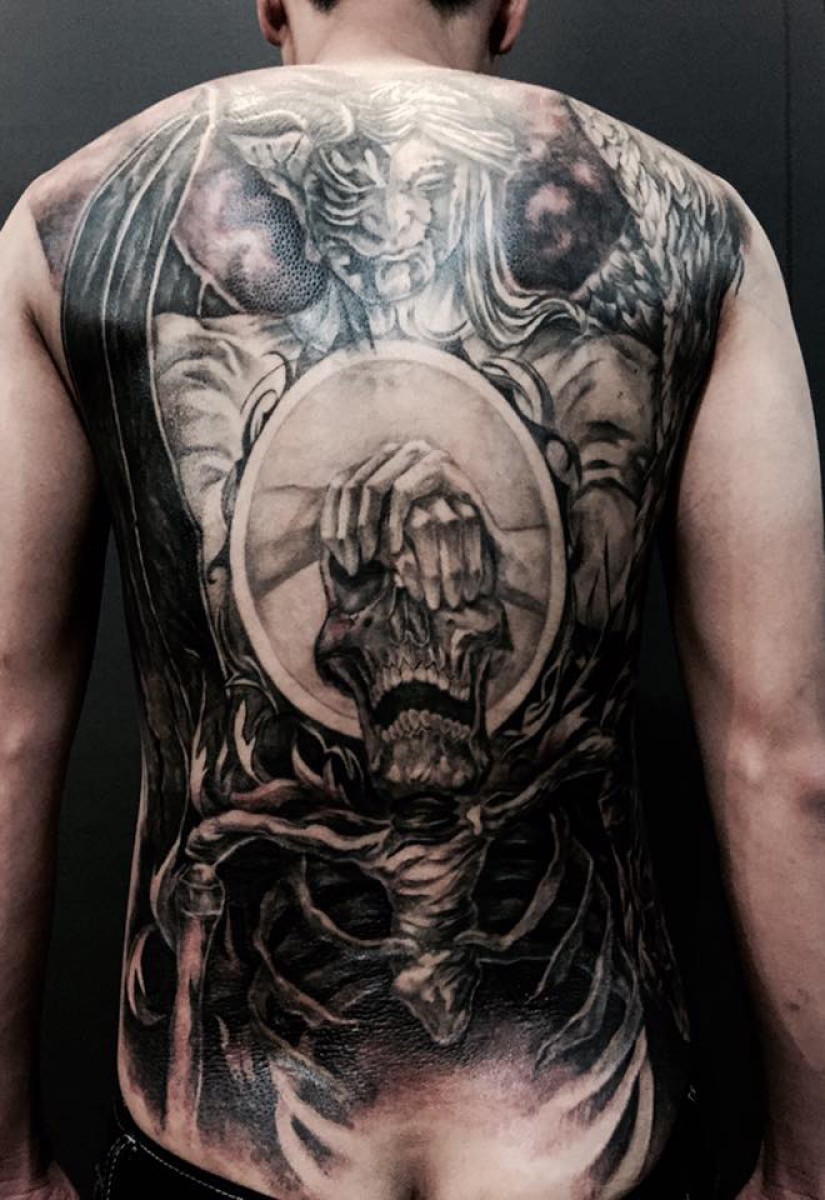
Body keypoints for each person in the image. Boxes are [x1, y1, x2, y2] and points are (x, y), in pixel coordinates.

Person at [0, 0, 822, 1197]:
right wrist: (807, 1171)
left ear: (274, 2)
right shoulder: (695, 230)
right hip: (585, 1141)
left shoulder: (76, 224)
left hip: (222, 1141)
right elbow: (784, 759)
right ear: (511, 5)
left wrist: (8, 1164)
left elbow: (8, 734)